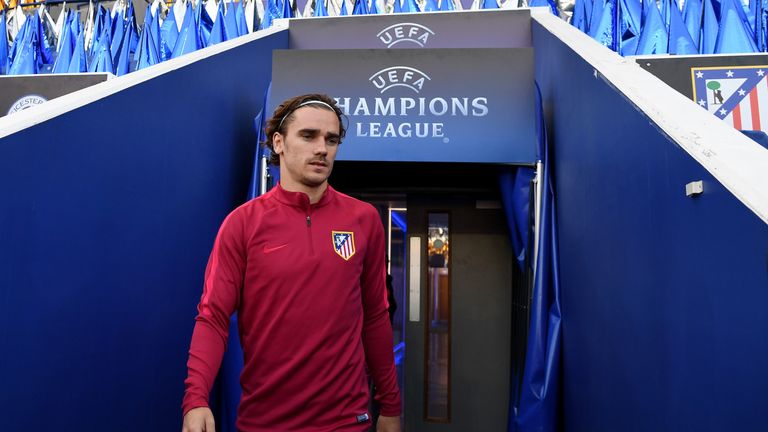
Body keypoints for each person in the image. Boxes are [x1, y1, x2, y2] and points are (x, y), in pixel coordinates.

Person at [181, 94, 402, 432]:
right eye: (309, 135)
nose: (322, 148)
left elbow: (375, 317)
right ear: (279, 143)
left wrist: (390, 405)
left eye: (331, 139)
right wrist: (196, 399)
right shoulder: (243, 224)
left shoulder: (364, 220)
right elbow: (212, 318)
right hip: (265, 422)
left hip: (346, 422)